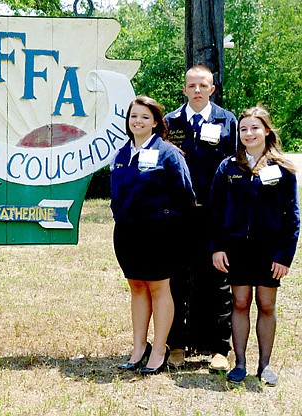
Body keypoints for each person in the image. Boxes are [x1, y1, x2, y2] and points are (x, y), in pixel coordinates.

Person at [209, 106, 299, 386]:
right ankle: (240, 363)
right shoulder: (228, 167)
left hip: (269, 251)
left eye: (255, 128)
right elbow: (215, 211)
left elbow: (292, 216)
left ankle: (265, 365)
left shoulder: (282, 168)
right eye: (243, 129)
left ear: (267, 131)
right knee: (240, 302)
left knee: (266, 305)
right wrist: (217, 247)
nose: (249, 133)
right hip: (236, 250)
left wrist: (284, 255)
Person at [111, 96, 195, 375]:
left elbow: (185, 196)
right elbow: (116, 195)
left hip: (159, 234)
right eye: (134, 116)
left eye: (145, 117)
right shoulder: (122, 154)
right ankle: (138, 349)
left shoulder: (169, 153)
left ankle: (159, 351)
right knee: (136, 287)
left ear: (156, 122)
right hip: (127, 233)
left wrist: (170, 225)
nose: (138, 121)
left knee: (159, 288)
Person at [164, 64, 238, 371]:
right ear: (184, 89)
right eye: (191, 85)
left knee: (218, 280)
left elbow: (237, 165)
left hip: (215, 214)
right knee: (176, 281)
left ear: (212, 89)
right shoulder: (169, 122)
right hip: (179, 216)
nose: (197, 90)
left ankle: (219, 347)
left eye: (202, 85)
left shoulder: (227, 121)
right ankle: (176, 344)